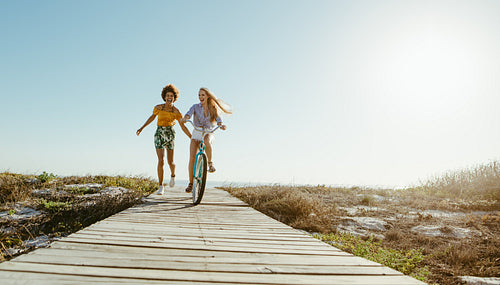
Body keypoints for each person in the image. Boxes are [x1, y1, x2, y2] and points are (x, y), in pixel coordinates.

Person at [136, 84, 191, 195]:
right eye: (167, 96)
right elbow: (152, 117)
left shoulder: (176, 112)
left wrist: (191, 137)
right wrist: (141, 128)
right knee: (161, 160)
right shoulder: (158, 108)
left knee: (170, 162)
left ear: (174, 98)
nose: (169, 98)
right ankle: (161, 186)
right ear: (164, 97)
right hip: (159, 133)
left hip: (170, 134)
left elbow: (183, 126)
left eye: (171, 96)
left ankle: (173, 175)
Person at [181, 87, 232, 193]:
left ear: (207, 96)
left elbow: (218, 119)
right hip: (196, 133)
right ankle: (191, 183)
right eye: (199, 95)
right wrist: (185, 118)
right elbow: (188, 114)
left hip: (208, 132)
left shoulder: (212, 108)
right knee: (192, 158)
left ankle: (210, 163)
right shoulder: (195, 107)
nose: (200, 97)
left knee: (206, 141)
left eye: (203, 95)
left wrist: (220, 125)